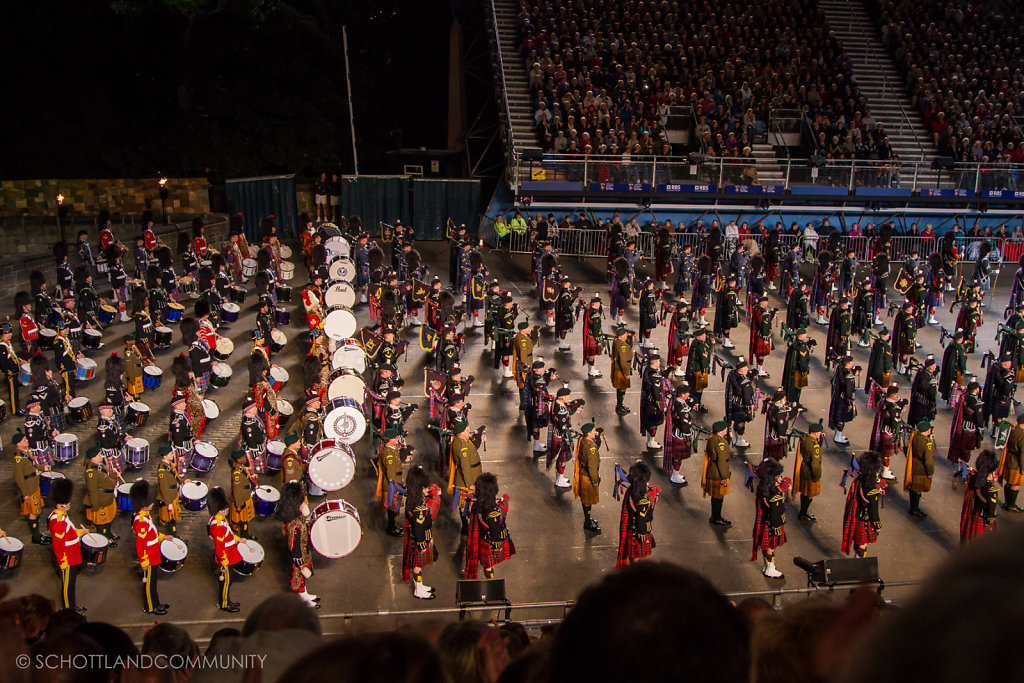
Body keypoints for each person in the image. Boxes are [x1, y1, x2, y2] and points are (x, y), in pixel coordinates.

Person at [400, 467, 442, 600]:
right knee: (417, 566)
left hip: (421, 537)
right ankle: (418, 590)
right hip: (420, 539)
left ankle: (420, 585)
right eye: (424, 488)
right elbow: (419, 526)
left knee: (419, 565)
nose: (426, 489)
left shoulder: (414, 498)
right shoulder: (418, 505)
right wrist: (422, 545)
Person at [277, 481, 320, 608]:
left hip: (304, 552)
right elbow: (294, 548)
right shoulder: (294, 526)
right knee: (300, 578)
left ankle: (305, 594)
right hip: (299, 557)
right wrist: (301, 566)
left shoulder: (295, 519)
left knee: (303, 580)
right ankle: (303, 599)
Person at [465, 472, 514, 579]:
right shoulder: (492, 511)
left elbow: (495, 531)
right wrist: (497, 548)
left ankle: (490, 583)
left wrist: (496, 547)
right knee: (488, 566)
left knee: (488, 566)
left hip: (486, 540)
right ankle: (491, 584)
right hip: (488, 541)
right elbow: (496, 532)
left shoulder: (482, 507)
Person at [130, 480, 168, 615]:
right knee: (149, 583)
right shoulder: (140, 521)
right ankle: (150, 606)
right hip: (149, 555)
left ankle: (156, 602)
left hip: (153, 552)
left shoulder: (145, 516)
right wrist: (144, 562)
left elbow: (152, 533)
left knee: (153, 581)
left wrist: (163, 537)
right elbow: (140, 544)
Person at [48, 477, 86, 612]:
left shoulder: (62, 516)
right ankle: (68, 609)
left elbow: (69, 531)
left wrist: (80, 532)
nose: (69, 504)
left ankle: (72, 605)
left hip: (74, 553)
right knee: (68, 585)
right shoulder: (58, 521)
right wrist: (62, 562)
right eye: (66, 503)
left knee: (72, 583)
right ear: (59, 504)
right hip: (68, 556)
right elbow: (58, 544)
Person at [616, 460, 660, 567]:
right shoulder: (642, 501)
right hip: (638, 531)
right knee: (635, 555)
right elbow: (642, 518)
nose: (648, 484)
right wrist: (642, 532)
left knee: (634, 554)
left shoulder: (632, 491)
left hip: (631, 528)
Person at [841, 451, 883, 557]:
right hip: (866, 519)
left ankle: (858, 558)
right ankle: (859, 563)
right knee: (863, 545)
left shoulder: (859, 480)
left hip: (858, 515)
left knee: (859, 543)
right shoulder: (872, 492)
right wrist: (877, 525)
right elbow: (873, 511)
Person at [11, 429, 50, 544]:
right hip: (29, 488)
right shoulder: (18, 459)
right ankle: (36, 536)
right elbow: (19, 478)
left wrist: (43, 468)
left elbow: (33, 464)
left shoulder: (26, 451)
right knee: (34, 511)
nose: (27, 440)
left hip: (34, 485)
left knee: (37, 510)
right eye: (24, 440)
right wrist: (25, 493)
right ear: (19, 444)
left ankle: (36, 532)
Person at [207, 486, 242, 612]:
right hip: (226, 557)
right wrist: (224, 562)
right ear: (220, 510)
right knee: (226, 581)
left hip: (230, 554)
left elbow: (230, 534)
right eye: (225, 508)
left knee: (228, 581)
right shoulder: (218, 526)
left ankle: (227, 600)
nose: (227, 509)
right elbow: (220, 548)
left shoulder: (221, 521)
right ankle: (224, 604)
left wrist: (239, 539)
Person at [751, 458, 787, 578]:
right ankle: (770, 568)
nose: (780, 479)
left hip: (765, 521)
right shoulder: (772, 495)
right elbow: (776, 510)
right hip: (772, 523)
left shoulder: (764, 488)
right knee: (770, 547)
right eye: (778, 476)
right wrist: (777, 526)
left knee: (767, 547)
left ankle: (768, 566)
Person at [447, 418, 482, 532]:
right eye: (467, 430)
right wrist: (470, 483)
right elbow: (465, 466)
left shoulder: (461, 441)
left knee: (466, 504)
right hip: (467, 479)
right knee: (465, 504)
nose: (469, 432)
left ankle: (467, 526)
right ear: (461, 433)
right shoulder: (462, 446)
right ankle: (466, 527)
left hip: (470, 476)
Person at [960, 450, 999, 545]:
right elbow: (991, 510)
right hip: (982, 519)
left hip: (972, 515)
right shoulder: (991, 490)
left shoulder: (973, 479)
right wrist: (990, 522)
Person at [83, 445, 118, 545]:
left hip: (108, 498)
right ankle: (104, 538)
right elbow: (92, 491)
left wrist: (114, 475)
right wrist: (95, 507)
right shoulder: (91, 473)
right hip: (101, 501)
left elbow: (106, 473)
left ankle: (108, 533)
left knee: (109, 519)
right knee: (102, 522)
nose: (101, 456)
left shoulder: (99, 465)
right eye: (98, 455)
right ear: (92, 458)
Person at [948, 381, 983, 482]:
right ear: (976, 390)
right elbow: (979, 420)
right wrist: (981, 431)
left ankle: (960, 468)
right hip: (970, 431)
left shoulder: (964, 397)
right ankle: (964, 473)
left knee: (961, 450)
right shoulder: (977, 403)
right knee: (966, 452)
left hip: (962, 427)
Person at [573, 421, 603, 533]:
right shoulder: (592, 449)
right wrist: (595, 480)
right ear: (589, 433)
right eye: (594, 431)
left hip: (582, 473)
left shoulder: (583, 441)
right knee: (588, 501)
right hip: (588, 477)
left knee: (586, 500)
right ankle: (587, 522)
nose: (595, 432)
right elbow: (592, 467)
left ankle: (588, 519)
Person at [664, 383, 696, 485]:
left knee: (676, 456)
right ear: (683, 395)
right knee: (678, 457)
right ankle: (675, 475)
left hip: (674, 432)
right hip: (680, 435)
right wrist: (687, 440)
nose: (688, 394)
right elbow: (685, 426)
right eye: (687, 393)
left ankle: (675, 473)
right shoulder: (683, 409)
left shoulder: (675, 402)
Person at [792, 422, 824, 521]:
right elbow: (815, 464)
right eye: (819, 432)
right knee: (810, 494)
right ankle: (803, 513)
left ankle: (803, 512)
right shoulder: (815, 447)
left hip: (804, 469)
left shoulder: (804, 439)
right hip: (811, 473)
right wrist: (816, 476)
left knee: (804, 493)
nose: (820, 434)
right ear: (814, 433)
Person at [376, 427, 404, 536]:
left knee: (394, 507)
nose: (397, 439)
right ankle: (391, 527)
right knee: (392, 507)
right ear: (391, 440)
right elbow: (391, 474)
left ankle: (393, 525)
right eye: (396, 438)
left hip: (395, 483)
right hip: (392, 486)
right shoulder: (389, 454)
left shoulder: (390, 449)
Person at [703, 420, 732, 526]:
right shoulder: (721, 443)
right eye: (725, 428)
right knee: (718, 497)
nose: (727, 430)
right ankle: (716, 517)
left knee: (715, 497)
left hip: (712, 471)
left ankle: (715, 516)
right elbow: (722, 462)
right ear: (721, 430)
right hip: (718, 474)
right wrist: (724, 476)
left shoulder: (712, 439)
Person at [905, 421, 936, 518]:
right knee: (918, 490)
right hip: (922, 469)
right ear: (927, 431)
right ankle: (915, 509)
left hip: (914, 465)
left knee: (913, 488)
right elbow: (928, 460)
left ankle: (912, 508)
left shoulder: (915, 437)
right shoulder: (927, 444)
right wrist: (930, 472)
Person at [725, 359, 754, 447]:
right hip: (742, 405)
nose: (748, 369)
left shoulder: (734, 375)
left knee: (737, 422)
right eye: (746, 368)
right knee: (741, 423)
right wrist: (749, 411)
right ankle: (739, 441)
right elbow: (747, 398)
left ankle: (737, 439)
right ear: (741, 371)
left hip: (735, 402)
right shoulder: (745, 382)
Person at [640, 353, 666, 449]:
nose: (660, 362)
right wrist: (659, 402)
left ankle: (650, 440)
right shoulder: (654, 375)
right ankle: (651, 441)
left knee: (649, 422)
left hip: (648, 400)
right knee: (653, 422)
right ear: (655, 362)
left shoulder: (648, 370)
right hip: (653, 402)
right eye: (659, 361)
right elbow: (656, 390)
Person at [156, 445, 184, 536]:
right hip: (168, 498)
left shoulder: (169, 464)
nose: (173, 455)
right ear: (164, 456)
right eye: (171, 454)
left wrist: (183, 481)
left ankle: (174, 535)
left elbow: (175, 475)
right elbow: (163, 488)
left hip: (173, 494)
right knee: (171, 520)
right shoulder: (162, 471)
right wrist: (169, 503)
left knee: (174, 518)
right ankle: (173, 536)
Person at [829, 355, 858, 444]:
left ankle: (838, 435)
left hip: (838, 397)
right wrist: (849, 402)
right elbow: (848, 391)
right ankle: (838, 436)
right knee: (841, 418)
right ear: (848, 364)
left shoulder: (839, 369)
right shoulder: (848, 375)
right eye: (851, 362)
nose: (853, 363)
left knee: (839, 418)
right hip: (844, 399)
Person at [229, 449, 256, 539]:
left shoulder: (241, 467)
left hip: (245, 496)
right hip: (242, 500)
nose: (245, 459)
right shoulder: (237, 473)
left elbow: (245, 476)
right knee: (243, 520)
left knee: (245, 519)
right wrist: (239, 505)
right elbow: (237, 490)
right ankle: (245, 536)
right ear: (238, 460)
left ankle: (244, 534)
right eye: (243, 457)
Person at [999, 414, 1024, 512]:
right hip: (1017, 465)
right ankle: (1011, 505)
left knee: (1009, 483)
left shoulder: (1013, 430)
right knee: (1015, 484)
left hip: (1009, 461)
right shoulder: (1022, 436)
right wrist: (1023, 468)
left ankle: (1007, 503)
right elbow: (1023, 454)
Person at [781, 327, 812, 405]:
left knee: (792, 387)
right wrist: (805, 371)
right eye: (805, 334)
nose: (806, 335)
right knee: (798, 388)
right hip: (799, 370)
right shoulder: (802, 347)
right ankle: (796, 403)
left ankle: (792, 401)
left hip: (792, 370)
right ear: (801, 336)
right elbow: (803, 361)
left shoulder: (794, 345)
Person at [939, 329, 967, 406]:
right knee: (957, 387)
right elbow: (962, 361)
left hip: (949, 370)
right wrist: (963, 370)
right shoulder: (959, 349)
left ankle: (949, 400)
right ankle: (953, 402)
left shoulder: (951, 346)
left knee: (949, 386)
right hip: (956, 371)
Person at [686, 327, 712, 411]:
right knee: (699, 389)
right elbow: (704, 359)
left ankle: (693, 403)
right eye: (704, 334)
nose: (705, 336)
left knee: (692, 388)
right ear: (700, 336)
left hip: (692, 370)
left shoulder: (694, 343)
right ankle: (697, 403)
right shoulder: (702, 346)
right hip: (699, 371)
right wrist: (704, 371)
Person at [610, 323, 632, 415]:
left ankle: (620, 405)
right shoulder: (622, 346)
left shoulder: (616, 341)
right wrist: (626, 373)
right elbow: (623, 361)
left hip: (617, 369)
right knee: (622, 388)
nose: (627, 335)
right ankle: (619, 406)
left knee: (620, 388)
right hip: (621, 371)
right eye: (626, 334)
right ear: (622, 336)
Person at [582, 296, 604, 378]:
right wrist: (598, 340)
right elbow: (596, 327)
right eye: (599, 303)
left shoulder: (590, 310)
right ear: (594, 304)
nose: (600, 304)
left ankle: (591, 369)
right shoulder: (595, 314)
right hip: (593, 336)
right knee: (591, 354)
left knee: (590, 354)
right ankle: (591, 370)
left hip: (589, 334)